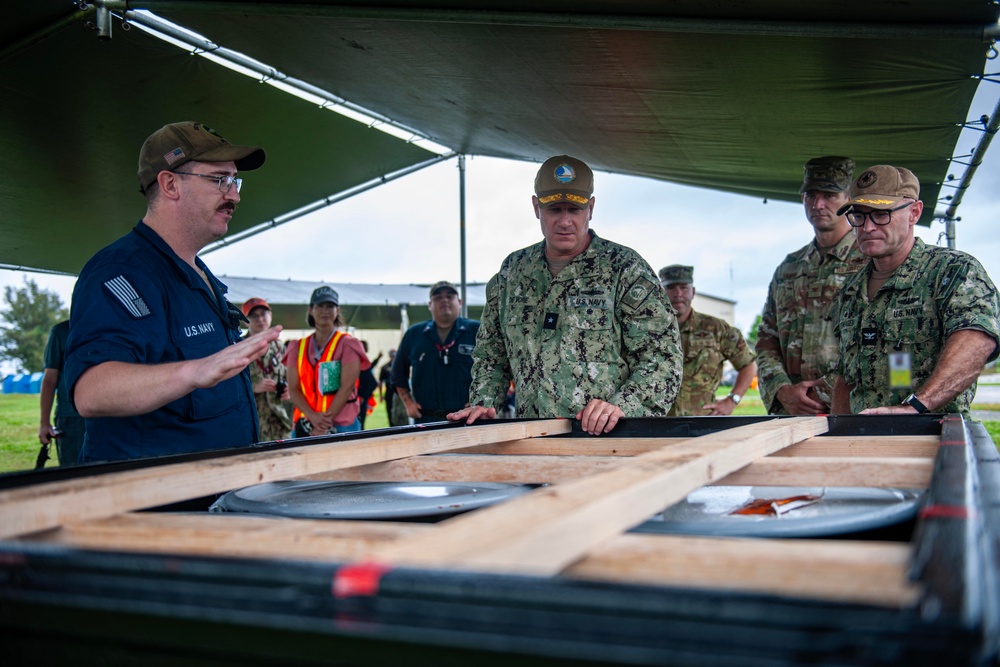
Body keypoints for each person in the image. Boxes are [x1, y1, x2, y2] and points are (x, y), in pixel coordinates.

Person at [65, 121, 279, 463]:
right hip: (157, 509)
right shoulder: (122, 272)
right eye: (219, 179)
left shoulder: (198, 274)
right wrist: (194, 371)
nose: (235, 195)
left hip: (215, 502)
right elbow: (92, 391)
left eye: (235, 180)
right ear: (170, 184)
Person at [449, 155, 682, 435]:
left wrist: (624, 406)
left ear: (591, 208)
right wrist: (484, 403)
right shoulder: (513, 272)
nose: (564, 221)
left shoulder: (625, 269)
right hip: (531, 441)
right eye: (554, 209)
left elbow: (662, 356)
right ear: (536, 207)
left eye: (574, 209)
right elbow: (491, 355)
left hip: (607, 440)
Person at [830, 165, 1000, 415]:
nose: (867, 228)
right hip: (863, 440)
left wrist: (915, 408)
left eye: (881, 214)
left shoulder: (952, 271)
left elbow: (976, 342)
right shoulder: (850, 292)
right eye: (859, 216)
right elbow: (846, 377)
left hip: (932, 437)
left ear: (914, 212)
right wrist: (837, 434)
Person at [755, 156, 868, 415]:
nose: (818, 204)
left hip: (852, 411)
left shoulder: (869, 261)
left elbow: (884, 343)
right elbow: (766, 339)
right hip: (792, 413)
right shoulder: (789, 268)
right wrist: (782, 390)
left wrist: (823, 391)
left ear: (849, 199)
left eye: (829, 195)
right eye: (810, 195)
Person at [659, 265, 756, 416]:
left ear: (693, 292)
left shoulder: (716, 329)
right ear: (661, 292)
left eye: (684, 288)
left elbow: (748, 365)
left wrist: (732, 400)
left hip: (703, 421)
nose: (678, 294)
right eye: (671, 288)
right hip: (658, 424)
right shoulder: (648, 331)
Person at [284, 286, 371, 435]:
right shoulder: (297, 347)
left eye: (330, 306)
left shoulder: (348, 344)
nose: (325, 311)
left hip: (342, 425)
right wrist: (313, 417)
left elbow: (347, 387)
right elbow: (293, 388)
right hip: (306, 424)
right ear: (310, 310)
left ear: (337, 310)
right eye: (320, 306)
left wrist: (323, 425)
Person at [391, 281, 480, 423]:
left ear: (460, 302)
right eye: (438, 297)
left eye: (450, 296)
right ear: (429, 304)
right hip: (427, 419)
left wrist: (482, 400)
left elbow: (497, 367)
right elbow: (397, 373)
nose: (444, 300)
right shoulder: (415, 334)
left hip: (467, 419)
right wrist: (408, 403)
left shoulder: (477, 331)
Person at [242, 297, 293, 441]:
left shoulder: (280, 347)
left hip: (280, 421)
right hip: (254, 423)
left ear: (270, 316)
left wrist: (289, 390)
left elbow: (290, 377)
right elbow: (228, 386)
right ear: (245, 321)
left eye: (263, 314)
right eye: (253, 316)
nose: (260, 319)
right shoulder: (239, 348)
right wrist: (253, 387)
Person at [37, 320, 84, 466]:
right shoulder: (61, 332)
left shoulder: (110, 327)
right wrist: (44, 422)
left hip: (109, 416)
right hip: (71, 418)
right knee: (74, 474)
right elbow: (49, 380)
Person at [357, 341, 381, 428]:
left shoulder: (363, 365)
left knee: (359, 423)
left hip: (359, 399)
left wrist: (363, 396)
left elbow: (372, 383)